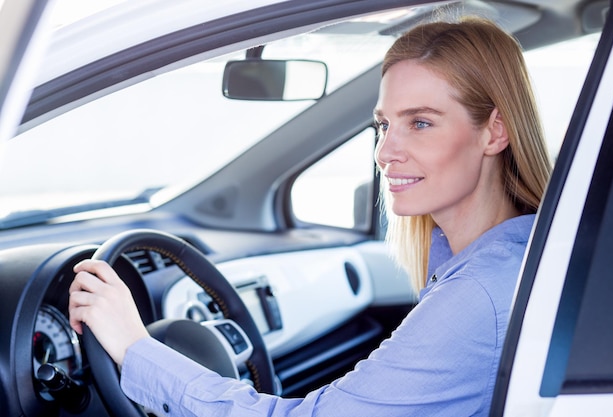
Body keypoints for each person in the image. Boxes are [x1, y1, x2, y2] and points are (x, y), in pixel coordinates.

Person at [69, 16, 552, 416]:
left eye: (420, 123)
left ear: (495, 132)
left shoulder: (478, 295)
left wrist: (135, 348)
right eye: (384, 125)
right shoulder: (517, 258)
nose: (385, 152)